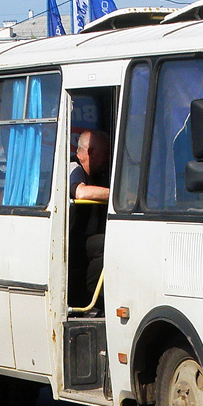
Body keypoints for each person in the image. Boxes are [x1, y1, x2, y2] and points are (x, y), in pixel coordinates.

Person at [68, 130, 110, 310]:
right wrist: (116, 195)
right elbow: (80, 192)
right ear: (91, 152)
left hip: (84, 239)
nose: (109, 158)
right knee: (103, 245)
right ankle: (93, 300)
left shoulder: (99, 175)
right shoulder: (72, 167)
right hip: (66, 242)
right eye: (106, 153)